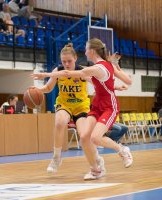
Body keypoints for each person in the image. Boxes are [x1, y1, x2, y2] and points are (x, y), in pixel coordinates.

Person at [32, 38, 133, 180]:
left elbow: (87, 77)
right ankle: (86, 166)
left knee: (93, 137)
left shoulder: (90, 69)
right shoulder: (100, 66)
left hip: (90, 105)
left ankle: (119, 151)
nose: (66, 64)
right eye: (64, 61)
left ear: (89, 52)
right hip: (81, 104)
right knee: (79, 134)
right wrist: (116, 72)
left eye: (86, 49)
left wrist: (44, 74)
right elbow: (108, 82)